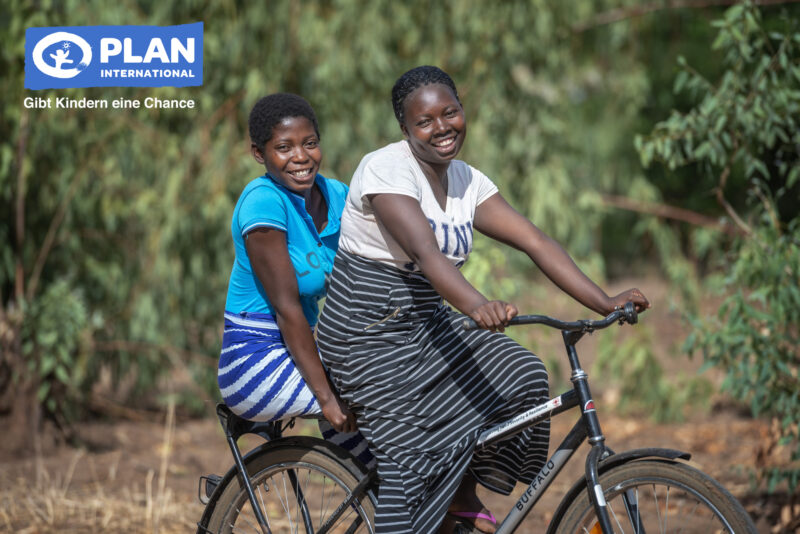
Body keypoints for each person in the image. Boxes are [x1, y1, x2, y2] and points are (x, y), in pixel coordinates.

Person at [316, 66, 650, 534]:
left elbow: (534, 240)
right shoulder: (386, 169)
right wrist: (476, 305)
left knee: (525, 375)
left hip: (427, 326)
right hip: (368, 336)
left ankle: (459, 490)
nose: (442, 128)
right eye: (425, 121)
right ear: (405, 130)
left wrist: (604, 301)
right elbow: (425, 254)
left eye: (450, 112)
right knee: (410, 464)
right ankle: (427, 501)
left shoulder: (467, 180)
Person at [217, 93, 373, 467]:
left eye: (310, 143)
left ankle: (390, 501)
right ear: (259, 153)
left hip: (305, 351)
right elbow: (287, 310)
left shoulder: (337, 195)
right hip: (255, 361)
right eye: (284, 147)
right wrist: (326, 399)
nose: (301, 157)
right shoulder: (263, 202)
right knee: (373, 398)